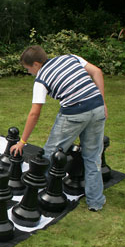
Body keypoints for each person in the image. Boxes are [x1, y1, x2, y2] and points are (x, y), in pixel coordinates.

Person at [10, 45, 107, 212]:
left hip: (73, 113)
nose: (29, 73)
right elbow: (97, 72)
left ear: (36, 64)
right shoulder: (70, 57)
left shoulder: (41, 78)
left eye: (28, 69)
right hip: (97, 107)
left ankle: (37, 193)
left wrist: (22, 141)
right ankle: (96, 202)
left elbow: (34, 113)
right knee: (93, 157)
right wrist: (102, 101)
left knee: (51, 154)